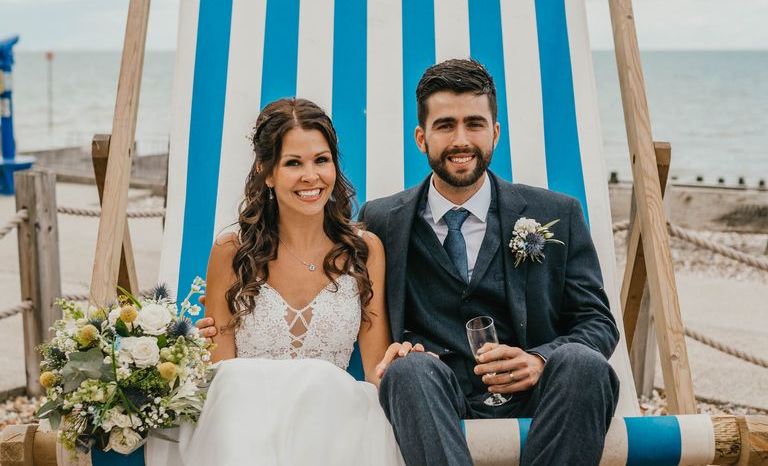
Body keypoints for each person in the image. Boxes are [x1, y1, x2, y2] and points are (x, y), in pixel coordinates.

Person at [198, 60, 620, 466]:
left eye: (473, 123)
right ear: (421, 137)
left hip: (539, 396)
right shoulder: (382, 224)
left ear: (495, 132)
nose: (461, 140)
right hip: (432, 401)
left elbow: (598, 324)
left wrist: (539, 360)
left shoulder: (556, 213)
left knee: (584, 364)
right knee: (409, 370)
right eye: (445, 125)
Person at [155, 98, 405, 466]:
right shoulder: (231, 251)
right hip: (244, 428)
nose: (311, 176)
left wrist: (404, 367)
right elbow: (220, 370)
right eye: (293, 163)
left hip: (333, 427)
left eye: (322, 160)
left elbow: (374, 370)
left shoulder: (365, 251)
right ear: (267, 172)